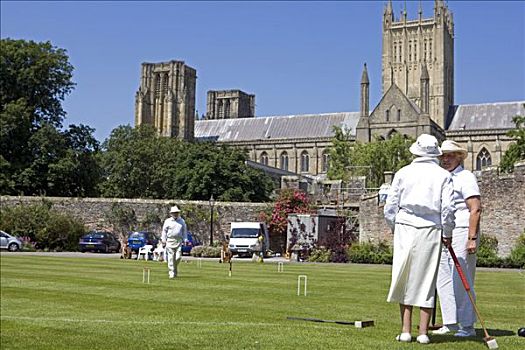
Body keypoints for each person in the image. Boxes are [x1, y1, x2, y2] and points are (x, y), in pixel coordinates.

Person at [384, 134, 456, 344]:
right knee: (426, 278)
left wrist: (394, 227)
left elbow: (390, 206)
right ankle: (423, 333)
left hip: (405, 225)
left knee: (404, 275)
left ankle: (406, 331)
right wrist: (447, 233)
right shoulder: (443, 176)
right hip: (431, 228)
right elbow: (448, 209)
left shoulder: (403, 173)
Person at [434, 140, 482, 337]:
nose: (446, 159)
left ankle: (467, 326)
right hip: (446, 232)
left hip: (463, 231)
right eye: (443, 156)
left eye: (450, 155)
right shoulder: (443, 178)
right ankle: (450, 322)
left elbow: (475, 208)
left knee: (461, 278)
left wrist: (471, 238)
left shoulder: (466, 177)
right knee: (442, 278)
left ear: (459, 157)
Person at [161, 205, 188, 279]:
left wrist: (185, 239)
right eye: (174, 213)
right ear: (171, 214)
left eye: (176, 213)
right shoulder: (167, 221)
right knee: (170, 257)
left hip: (178, 241)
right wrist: (163, 240)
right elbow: (164, 231)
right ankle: (171, 273)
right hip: (169, 240)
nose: (175, 214)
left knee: (178, 257)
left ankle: (174, 270)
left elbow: (184, 231)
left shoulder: (182, 221)